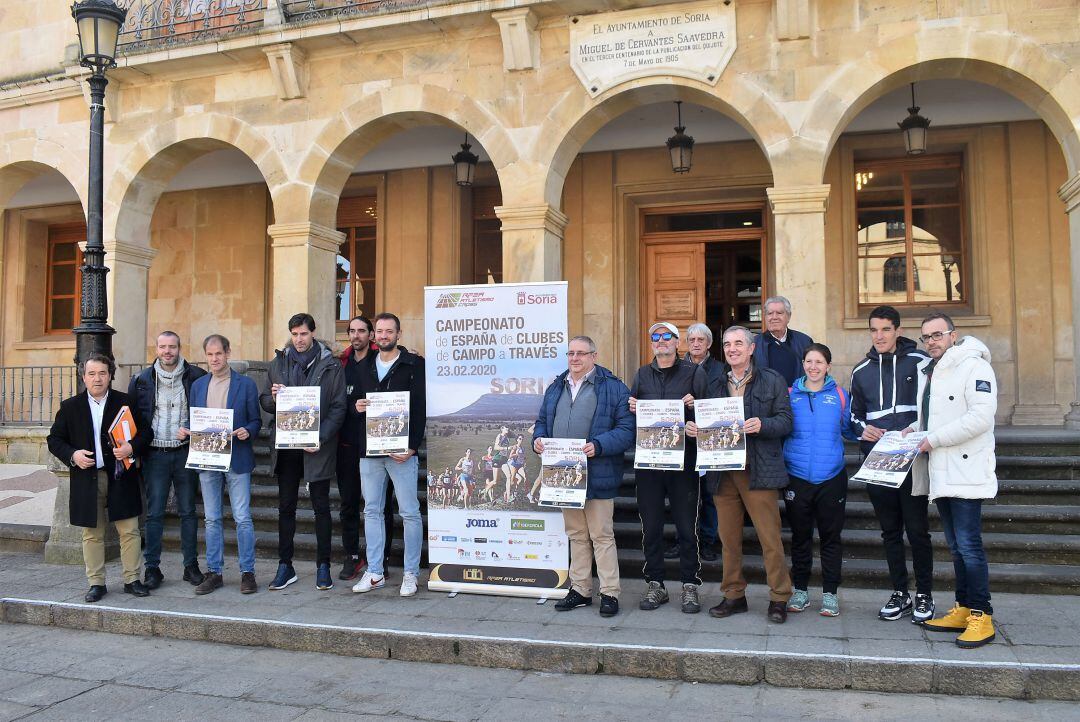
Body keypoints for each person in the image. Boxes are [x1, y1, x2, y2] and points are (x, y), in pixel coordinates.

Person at [906, 313, 998, 648]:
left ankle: (982, 615)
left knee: (970, 547)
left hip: (966, 469)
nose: (931, 341)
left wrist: (933, 439)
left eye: (937, 334)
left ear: (953, 335)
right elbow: (933, 419)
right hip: (941, 471)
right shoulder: (928, 371)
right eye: (926, 336)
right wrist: (914, 432)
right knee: (957, 547)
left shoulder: (975, 367)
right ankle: (963, 607)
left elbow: (980, 418)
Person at [533, 335, 635, 617]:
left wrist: (599, 445)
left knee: (601, 535)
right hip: (563, 476)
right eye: (571, 353)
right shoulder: (556, 386)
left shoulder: (614, 389)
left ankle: (609, 593)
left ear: (594, 355)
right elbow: (542, 422)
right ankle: (580, 589)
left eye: (581, 353)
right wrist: (539, 440)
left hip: (597, 472)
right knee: (577, 535)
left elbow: (627, 430)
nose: (575, 358)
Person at [850, 305, 935, 623]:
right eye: (874, 330)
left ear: (898, 330)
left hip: (913, 459)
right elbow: (854, 415)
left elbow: (934, 406)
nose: (879, 335)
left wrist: (916, 430)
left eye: (885, 329)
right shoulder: (860, 371)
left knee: (917, 530)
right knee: (889, 532)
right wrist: (863, 429)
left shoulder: (922, 363)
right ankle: (901, 593)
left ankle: (924, 594)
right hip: (878, 461)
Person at [47, 353, 153, 602]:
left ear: (110, 375)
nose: (97, 378)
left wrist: (131, 447)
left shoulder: (125, 403)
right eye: (92, 374)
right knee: (92, 533)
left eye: (102, 373)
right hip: (87, 478)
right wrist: (73, 454)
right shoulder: (70, 406)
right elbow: (54, 440)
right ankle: (96, 583)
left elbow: (146, 432)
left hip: (120, 475)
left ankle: (132, 579)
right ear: (83, 376)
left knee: (129, 530)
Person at [705, 326, 794, 624]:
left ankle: (779, 597)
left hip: (758, 469)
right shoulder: (715, 383)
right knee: (728, 540)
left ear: (751, 348)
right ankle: (733, 595)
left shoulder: (771, 379)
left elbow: (786, 421)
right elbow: (706, 422)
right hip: (723, 472)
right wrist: (695, 429)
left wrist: (763, 425)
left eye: (738, 343)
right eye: (727, 344)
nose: (732, 349)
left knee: (770, 539)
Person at [261, 313, 346, 592]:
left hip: (316, 447)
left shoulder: (331, 366)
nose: (299, 339)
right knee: (286, 507)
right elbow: (265, 401)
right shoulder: (278, 363)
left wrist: (320, 438)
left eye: (304, 334)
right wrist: (272, 399)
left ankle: (324, 566)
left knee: (321, 507)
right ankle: (285, 565)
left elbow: (338, 408)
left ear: (313, 334)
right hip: (286, 448)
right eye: (295, 334)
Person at [629, 322, 709, 614]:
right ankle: (656, 584)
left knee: (687, 526)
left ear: (677, 343)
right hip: (649, 464)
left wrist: (695, 406)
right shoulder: (641, 374)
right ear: (651, 344)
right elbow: (632, 414)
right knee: (651, 527)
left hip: (683, 463)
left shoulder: (694, 373)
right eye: (655, 337)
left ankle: (690, 585)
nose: (661, 341)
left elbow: (709, 413)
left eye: (667, 337)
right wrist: (633, 407)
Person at [350, 313, 426, 597]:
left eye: (388, 331)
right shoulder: (363, 366)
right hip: (369, 451)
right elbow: (351, 402)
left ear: (398, 333)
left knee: (409, 512)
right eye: (379, 331)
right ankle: (375, 572)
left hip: (401, 453)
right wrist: (355, 407)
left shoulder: (414, 365)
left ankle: (410, 573)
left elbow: (419, 408)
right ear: (374, 335)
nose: (383, 336)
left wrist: (413, 446)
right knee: (371, 511)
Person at [783, 343, 858, 617]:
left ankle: (830, 593)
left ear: (828, 366)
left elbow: (851, 429)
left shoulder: (839, 395)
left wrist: (876, 433)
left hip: (831, 477)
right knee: (800, 537)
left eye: (819, 362)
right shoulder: (790, 395)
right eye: (809, 361)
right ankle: (800, 590)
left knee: (830, 538)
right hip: (797, 477)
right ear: (803, 364)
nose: (813, 367)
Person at [128, 331, 207, 589]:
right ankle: (152, 569)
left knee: (188, 511)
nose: (167, 351)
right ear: (157, 348)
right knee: (154, 513)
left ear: (179, 347)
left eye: (172, 347)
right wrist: (136, 453)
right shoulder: (141, 379)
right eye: (163, 347)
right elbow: (133, 419)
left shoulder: (196, 376)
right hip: (154, 453)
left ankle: (190, 566)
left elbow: (207, 414)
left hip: (185, 451)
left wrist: (193, 429)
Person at [184, 334, 261, 595]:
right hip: (208, 459)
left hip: (237, 458)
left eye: (219, 353)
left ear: (228, 353)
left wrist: (247, 431)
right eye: (210, 354)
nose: (215, 359)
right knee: (212, 518)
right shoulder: (198, 386)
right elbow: (196, 421)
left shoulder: (246, 385)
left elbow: (256, 421)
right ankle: (214, 572)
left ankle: (247, 572)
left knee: (242, 517)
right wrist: (187, 431)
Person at [337, 315, 394, 581]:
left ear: (371, 335)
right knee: (348, 503)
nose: (356, 335)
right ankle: (351, 556)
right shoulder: (341, 364)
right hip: (348, 444)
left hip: (380, 445)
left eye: (362, 331)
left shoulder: (381, 362)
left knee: (381, 506)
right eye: (352, 331)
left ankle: (381, 558)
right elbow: (336, 401)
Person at [666, 322, 722, 563]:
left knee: (710, 494)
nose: (696, 344)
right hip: (682, 441)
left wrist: (697, 402)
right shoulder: (675, 367)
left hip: (710, 440)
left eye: (701, 340)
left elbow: (722, 401)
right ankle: (684, 539)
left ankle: (708, 541)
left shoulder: (721, 369)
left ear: (709, 344)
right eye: (692, 340)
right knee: (683, 495)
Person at [752, 296, 814, 387]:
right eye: (770, 313)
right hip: (765, 399)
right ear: (765, 317)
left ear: (788, 316)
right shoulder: (753, 344)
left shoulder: (804, 342)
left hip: (797, 397)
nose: (774, 317)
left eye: (779, 313)